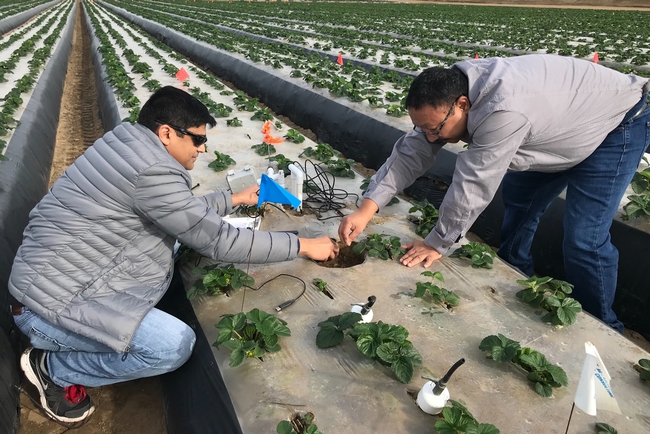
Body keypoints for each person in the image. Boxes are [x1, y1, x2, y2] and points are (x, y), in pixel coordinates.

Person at [8, 86, 338, 423]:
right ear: (166, 133)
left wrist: (233, 199)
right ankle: (53, 369)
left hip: (54, 283)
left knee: (176, 247)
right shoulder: (152, 171)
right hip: (47, 309)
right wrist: (302, 244)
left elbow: (181, 212)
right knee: (172, 346)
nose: (203, 147)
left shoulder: (129, 146)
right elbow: (221, 241)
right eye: (197, 139)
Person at [339, 54, 649, 333]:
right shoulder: (451, 94)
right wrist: (367, 209)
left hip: (617, 125)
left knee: (584, 236)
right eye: (425, 128)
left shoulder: (502, 110)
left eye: (436, 129)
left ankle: (603, 328)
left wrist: (438, 242)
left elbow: (473, 184)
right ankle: (517, 281)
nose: (431, 136)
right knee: (520, 203)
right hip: (557, 128)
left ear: (463, 105)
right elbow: (411, 151)